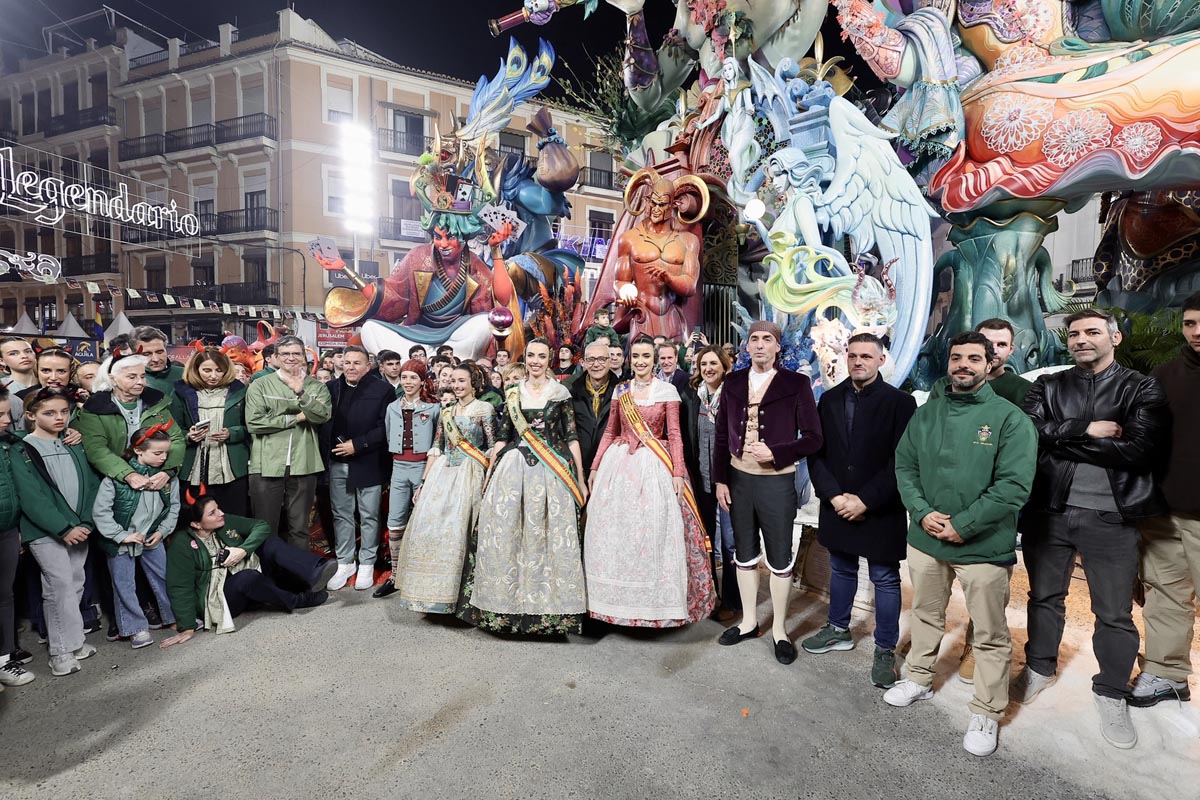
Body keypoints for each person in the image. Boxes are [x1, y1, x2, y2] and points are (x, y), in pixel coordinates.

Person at [1017, 309, 1169, 749]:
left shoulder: (1140, 387)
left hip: (1111, 517)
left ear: (1114, 337)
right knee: (1044, 597)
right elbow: (1027, 434)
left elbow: (1139, 450)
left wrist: (1062, 439)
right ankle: (1039, 667)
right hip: (1050, 511)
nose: (1082, 339)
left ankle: (1111, 691)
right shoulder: (1048, 385)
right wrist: (1089, 430)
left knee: (1114, 613)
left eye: (1092, 332)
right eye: (1075, 333)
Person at [886, 332, 1037, 758]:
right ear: (948, 363)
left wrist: (964, 524)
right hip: (927, 538)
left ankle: (988, 709)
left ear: (990, 365)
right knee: (926, 615)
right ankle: (918, 678)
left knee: (989, 632)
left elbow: (1014, 486)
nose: (963, 365)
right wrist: (921, 511)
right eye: (957, 358)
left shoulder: (1009, 419)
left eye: (974, 358)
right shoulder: (927, 413)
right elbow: (905, 465)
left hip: (983, 545)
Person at [803, 333, 917, 689]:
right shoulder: (830, 399)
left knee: (884, 577)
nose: (858, 362)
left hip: (880, 506)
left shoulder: (901, 403)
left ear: (881, 360)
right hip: (837, 503)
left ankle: (884, 649)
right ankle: (838, 629)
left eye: (866, 356)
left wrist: (865, 500)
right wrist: (835, 496)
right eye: (852, 355)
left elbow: (903, 460)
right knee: (840, 567)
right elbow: (817, 454)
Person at [457, 339, 589, 634]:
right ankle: (505, 610)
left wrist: (579, 477)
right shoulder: (513, 393)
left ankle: (549, 616)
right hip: (513, 469)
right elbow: (503, 436)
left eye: (542, 356)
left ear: (550, 359)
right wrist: (490, 473)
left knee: (547, 538)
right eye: (531, 356)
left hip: (551, 472)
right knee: (507, 535)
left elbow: (571, 437)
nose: (536, 361)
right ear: (525, 358)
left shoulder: (561, 393)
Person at [585, 335, 715, 626]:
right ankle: (614, 605)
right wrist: (594, 468)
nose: (641, 361)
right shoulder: (622, 390)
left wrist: (679, 472)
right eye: (637, 356)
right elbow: (610, 431)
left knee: (655, 532)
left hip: (655, 465)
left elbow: (675, 435)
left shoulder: (667, 390)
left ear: (654, 359)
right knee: (616, 535)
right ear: (630, 359)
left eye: (646, 356)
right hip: (618, 467)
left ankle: (655, 608)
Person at [713, 321, 823, 664]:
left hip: (777, 482)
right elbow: (720, 436)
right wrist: (720, 480)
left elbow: (814, 438)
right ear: (746, 346)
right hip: (738, 480)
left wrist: (778, 452)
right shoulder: (732, 382)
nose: (760, 345)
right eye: (754, 339)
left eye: (767, 340)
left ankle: (779, 631)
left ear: (778, 347)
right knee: (743, 552)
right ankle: (748, 621)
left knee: (778, 556)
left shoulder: (796, 383)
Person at [1134, 291, 1200, 707]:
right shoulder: (1164, 375)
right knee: (1165, 594)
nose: (1197, 332)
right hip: (1163, 511)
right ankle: (1167, 673)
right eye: (1190, 323)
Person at [161, 493, 333, 647]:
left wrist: (243, 549)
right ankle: (297, 600)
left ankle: (315, 571)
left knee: (270, 543)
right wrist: (187, 626)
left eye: (218, 508)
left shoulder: (223, 521)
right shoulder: (181, 545)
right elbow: (180, 587)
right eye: (212, 513)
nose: (220, 513)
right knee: (247, 578)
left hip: (245, 570)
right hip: (222, 597)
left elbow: (261, 526)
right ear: (196, 524)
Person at [11, 388, 102, 676]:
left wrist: (86, 521)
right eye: (49, 413)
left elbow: (89, 484)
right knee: (58, 585)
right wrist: (63, 528)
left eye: (64, 411)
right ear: (31, 415)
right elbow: (32, 496)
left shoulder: (74, 442)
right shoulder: (22, 448)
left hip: (78, 527)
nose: (59, 417)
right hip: (47, 531)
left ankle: (74, 642)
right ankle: (60, 650)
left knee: (75, 581)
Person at [391, 364, 494, 612]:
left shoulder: (484, 409)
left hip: (472, 472)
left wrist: (489, 480)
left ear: (474, 383)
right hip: (443, 474)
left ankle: (466, 597)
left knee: (463, 531)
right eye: (454, 381)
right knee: (434, 529)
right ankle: (435, 593)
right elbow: (436, 448)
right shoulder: (446, 412)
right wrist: (424, 483)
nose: (457, 386)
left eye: (462, 381)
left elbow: (492, 447)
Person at [91, 424, 179, 649]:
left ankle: (173, 617)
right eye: (157, 453)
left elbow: (173, 508)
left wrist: (162, 531)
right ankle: (134, 628)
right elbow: (100, 512)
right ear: (139, 451)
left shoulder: (167, 477)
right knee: (124, 585)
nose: (163, 458)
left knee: (165, 576)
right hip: (122, 541)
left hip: (153, 536)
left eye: (166, 453)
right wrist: (121, 536)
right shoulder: (117, 477)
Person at [245, 336, 333, 552]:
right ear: (275, 357)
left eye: (296, 353)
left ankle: (299, 580)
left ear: (304, 356)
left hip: (305, 464)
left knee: (300, 529)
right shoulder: (260, 385)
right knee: (265, 528)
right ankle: (266, 581)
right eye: (285, 354)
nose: (291, 358)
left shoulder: (316, 387)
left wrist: (301, 393)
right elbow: (255, 423)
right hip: (266, 464)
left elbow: (322, 415)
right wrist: (295, 418)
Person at [319, 345, 393, 591]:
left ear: (368, 365)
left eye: (356, 363)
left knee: (369, 515)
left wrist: (358, 444)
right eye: (347, 362)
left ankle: (367, 563)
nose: (350, 367)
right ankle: (345, 561)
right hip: (337, 462)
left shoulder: (383, 390)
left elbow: (386, 427)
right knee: (341, 514)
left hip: (368, 461)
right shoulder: (330, 388)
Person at [374, 359, 440, 599]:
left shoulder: (434, 408)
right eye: (404, 377)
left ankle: (425, 572)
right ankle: (395, 573)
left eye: (413, 377)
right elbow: (390, 434)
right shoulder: (392, 407)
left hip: (425, 467)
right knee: (395, 520)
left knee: (426, 520)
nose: (408, 382)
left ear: (422, 381)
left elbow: (437, 440)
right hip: (399, 467)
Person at [76, 351, 185, 486]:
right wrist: (128, 474)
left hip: (155, 477)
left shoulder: (157, 402)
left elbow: (176, 439)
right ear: (112, 379)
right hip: (112, 480)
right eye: (132, 377)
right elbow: (96, 449)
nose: (140, 382)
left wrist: (167, 471)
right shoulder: (95, 408)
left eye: (143, 376)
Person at [692, 343, 739, 622]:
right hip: (703, 483)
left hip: (728, 482)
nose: (708, 369)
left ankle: (732, 601)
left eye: (713, 364)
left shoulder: (732, 396)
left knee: (731, 543)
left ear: (724, 367)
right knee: (705, 540)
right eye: (703, 364)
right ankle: (710, 595)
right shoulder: (695, 396)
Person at [172, 348, 250, 516]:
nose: (213, 375)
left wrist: (232, 433)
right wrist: (188, 436)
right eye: (207, 370)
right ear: (196, 369)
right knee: (194, 515)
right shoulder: (181, 393)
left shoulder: (240, 392)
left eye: (218, 370)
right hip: (192, 466)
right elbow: (173, 428)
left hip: (232, 468)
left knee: (232, 514)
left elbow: (250, 426)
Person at [0, 387, 34, 689]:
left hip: (8, 530)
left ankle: (5, 657)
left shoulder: (12, 445)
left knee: (4, 595)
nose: (7, 420)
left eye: (7, 414)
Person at [569, 341, 617, 482]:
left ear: (610, 362)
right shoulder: (571, 392)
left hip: (611, 467)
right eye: (591, 359)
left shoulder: (623, 391)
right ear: (583, 362)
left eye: (602, 359)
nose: (596, 364)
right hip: (579, 467)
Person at [131, 326, 184, 401]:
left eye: (160, 352)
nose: (155, 359)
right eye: (147, 354)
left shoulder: (185, 374)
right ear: (134, 355)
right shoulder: (129, 382)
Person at [1, 336, 35, 431]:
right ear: (1, 360)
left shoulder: (50, 383)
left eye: (28, 351)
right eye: (13, 353)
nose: (24, 356)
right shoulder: (3, 388)